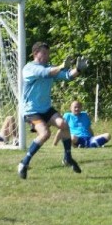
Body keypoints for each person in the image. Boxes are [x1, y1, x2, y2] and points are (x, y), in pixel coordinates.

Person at [17, 41, 87, 179]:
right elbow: (44, 73)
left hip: (46, 108)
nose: (47, 56)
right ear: (35, 53)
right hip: (31, 110)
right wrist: (61, 66)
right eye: (44, 53)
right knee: (45, 133)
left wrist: (78, 70)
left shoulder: (49, 67)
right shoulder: (29, 68)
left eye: (48, 53)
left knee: (63, 125)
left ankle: (67, 158)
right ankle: (24, 163)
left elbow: (67, 76)